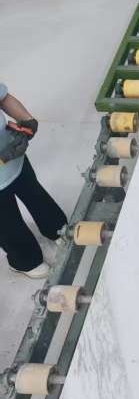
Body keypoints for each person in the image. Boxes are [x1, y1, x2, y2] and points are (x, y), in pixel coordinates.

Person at [0, 84, 67, 279]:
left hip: (14, 157)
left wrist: (27, 120)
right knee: (7, 222)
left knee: (35, 195)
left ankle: (57, 228)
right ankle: (25, 260)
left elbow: (4, 98)